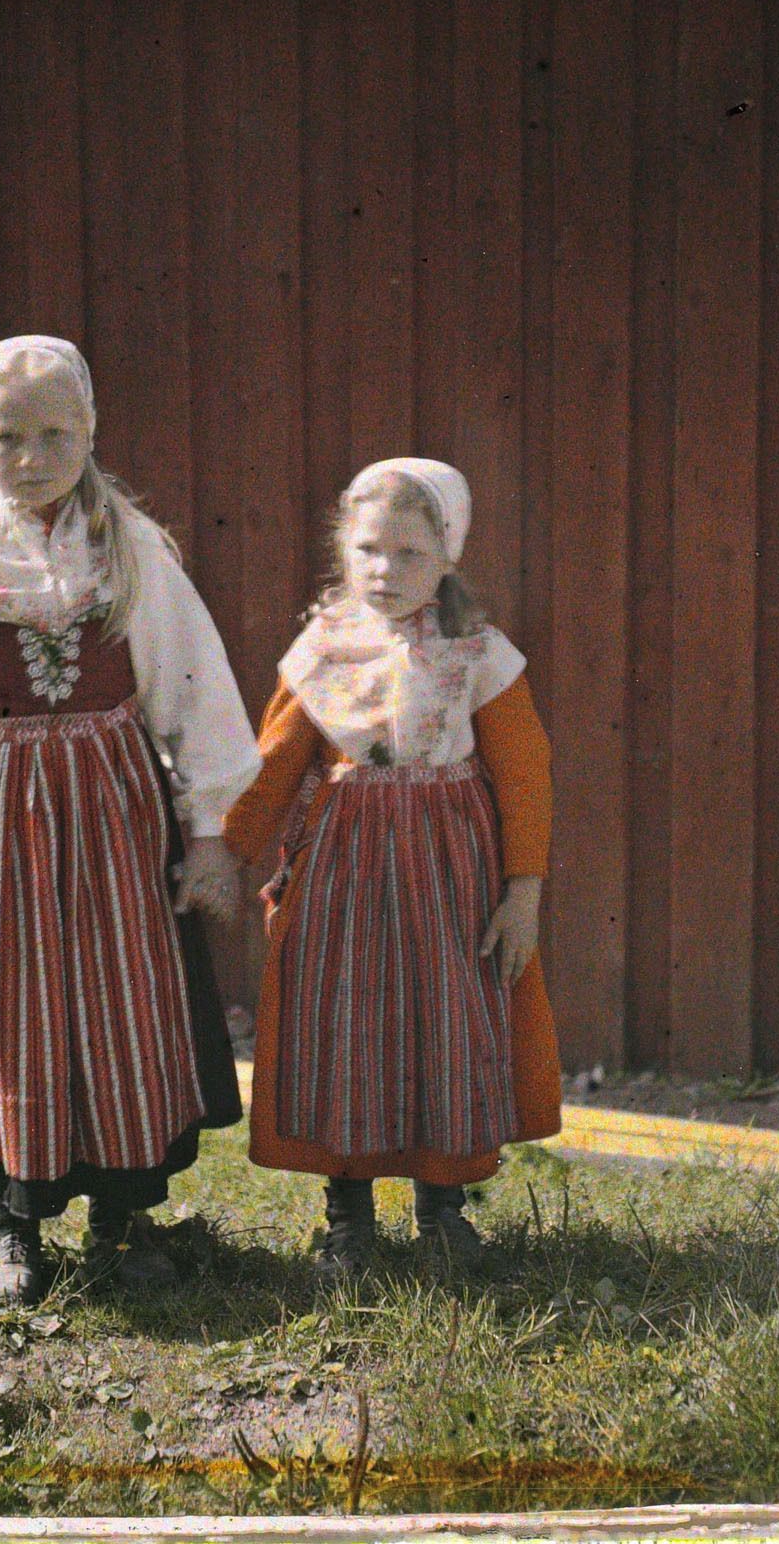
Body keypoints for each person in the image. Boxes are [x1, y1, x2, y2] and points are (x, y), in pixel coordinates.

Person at [0, 335, 260, 1308]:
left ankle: (125, 1214)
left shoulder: (129, 548)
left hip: (115, 815)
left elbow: (193, 685)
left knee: (121, 997)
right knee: (11, 1006)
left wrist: (205, 830)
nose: (31, 456)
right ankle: (15, 1223)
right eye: (6, 436)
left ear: (89, 431)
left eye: (53, 433)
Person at [223, 457, 560, 1277]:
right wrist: (221, 851)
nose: (384, 570)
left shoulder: (479, 654)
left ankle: (442, 1211)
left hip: (451, 877)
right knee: (345, 1025)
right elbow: (272, 765)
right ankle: (347, 1218)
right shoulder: (322, 652)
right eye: (368, 548)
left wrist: (522, 892)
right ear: (344, 548)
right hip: (343, 872)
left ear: (449, 556)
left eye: (409, 554)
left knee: (444, 1023)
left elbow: (523, 775)